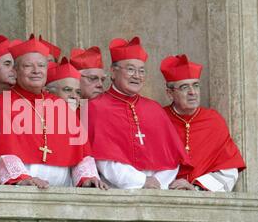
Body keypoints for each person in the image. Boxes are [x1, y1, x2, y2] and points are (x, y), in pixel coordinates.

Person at [0, 36, 107, 189]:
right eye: (28, 66)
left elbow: (80, 150)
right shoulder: (1, 104)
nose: (36, 71)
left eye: (41, 65)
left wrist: (87, 178)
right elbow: (2, 152)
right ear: (15, 71)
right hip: (25, 190)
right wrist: (21, 178)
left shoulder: (60, 105)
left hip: (63, 192)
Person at [88, 36, 190, 190]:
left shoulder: (154, 109)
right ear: (113, 72)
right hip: (115, 191)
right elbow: (103, 158)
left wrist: (158, 182)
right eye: (130, 69)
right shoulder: (95, 107)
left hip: (157, 192)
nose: (137, 75)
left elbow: (172, 159)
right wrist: (140, 181)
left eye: (141, 71)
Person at [161, 54, 246, 192]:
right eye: (184, 87)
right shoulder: (158, 118)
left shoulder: (213, 121)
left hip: (203, 200)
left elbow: (229, 169)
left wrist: (196, 187)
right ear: (170, 93)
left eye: (195, 85)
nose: (192, 92)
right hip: (164, 195)